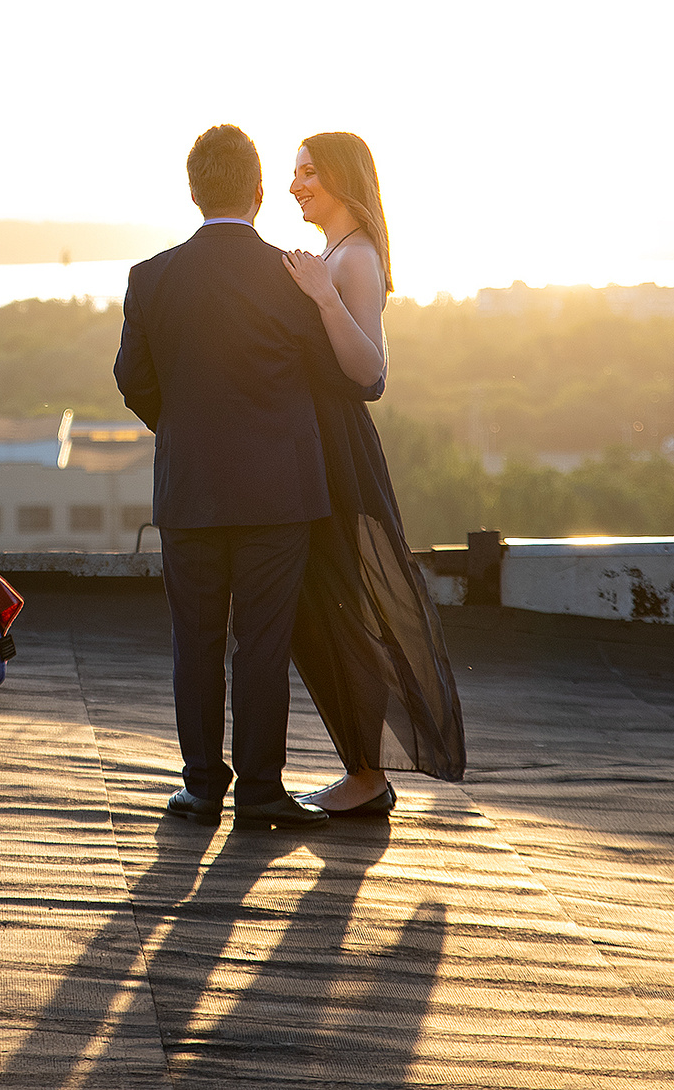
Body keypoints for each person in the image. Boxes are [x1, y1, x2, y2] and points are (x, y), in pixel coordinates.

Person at [114, 124, 384, 830]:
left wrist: (185, 432)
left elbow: (132, 380)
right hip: (279, 494)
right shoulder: (295, 277)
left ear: (195, 191)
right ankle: (261, 790)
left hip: (189, 488)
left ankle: (202, 787)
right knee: (262, 644)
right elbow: (336, 379)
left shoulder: (150, 277)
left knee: (195, 642)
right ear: (260, 193)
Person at [276, 132, 467, 814]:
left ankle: (367, 775)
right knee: (316, 608)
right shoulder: (332, 254)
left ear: (341, 179)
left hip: (338, 453)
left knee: (341, 610)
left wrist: (323, 297)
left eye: (308, 172)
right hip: (315, 449)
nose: (295, 184)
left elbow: (371, 372)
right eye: (293, 172)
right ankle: (361, 769)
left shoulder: (352, 259)